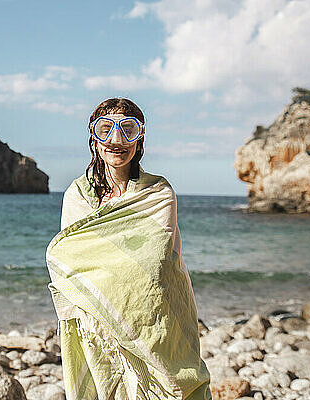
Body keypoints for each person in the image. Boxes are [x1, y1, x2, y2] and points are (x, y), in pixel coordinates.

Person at [46, 98, 211, 400]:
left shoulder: (159, 192)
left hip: (153, 319)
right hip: (95, 320)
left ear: (141, 139)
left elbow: (156, 260)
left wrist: (106, 268)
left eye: (128, 130)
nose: (116, 140)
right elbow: (67, 259)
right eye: (105, 129)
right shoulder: (76, 195)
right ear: (93, 139)